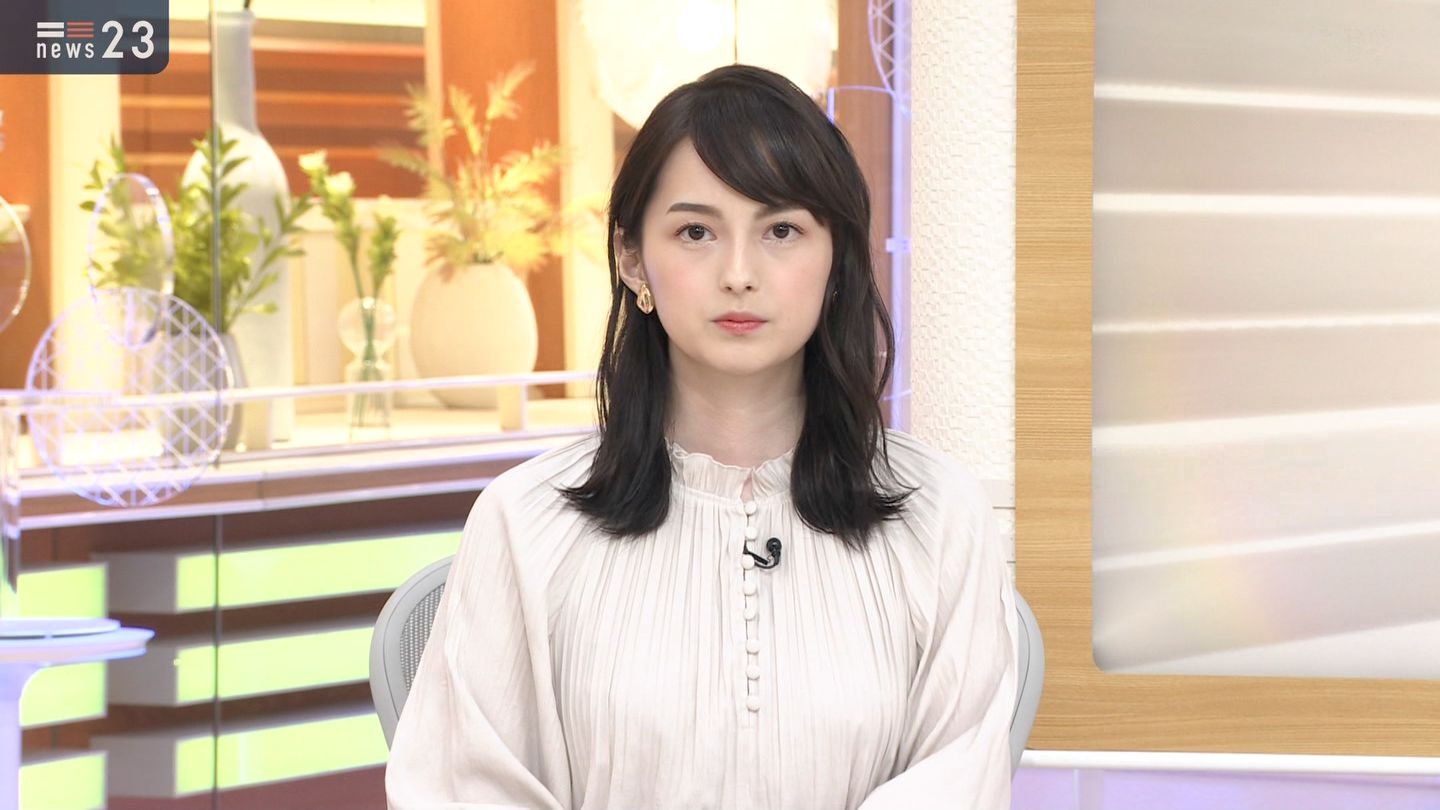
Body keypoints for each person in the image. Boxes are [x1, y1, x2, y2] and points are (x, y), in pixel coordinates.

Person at [386, 64, 1018, 810]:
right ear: (632, 258)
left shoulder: (939, 518)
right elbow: (462, 792)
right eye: (696, 232)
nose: (739, 274)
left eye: (781, 230)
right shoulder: (522, 522)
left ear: (836, 260)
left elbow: (956, 784)